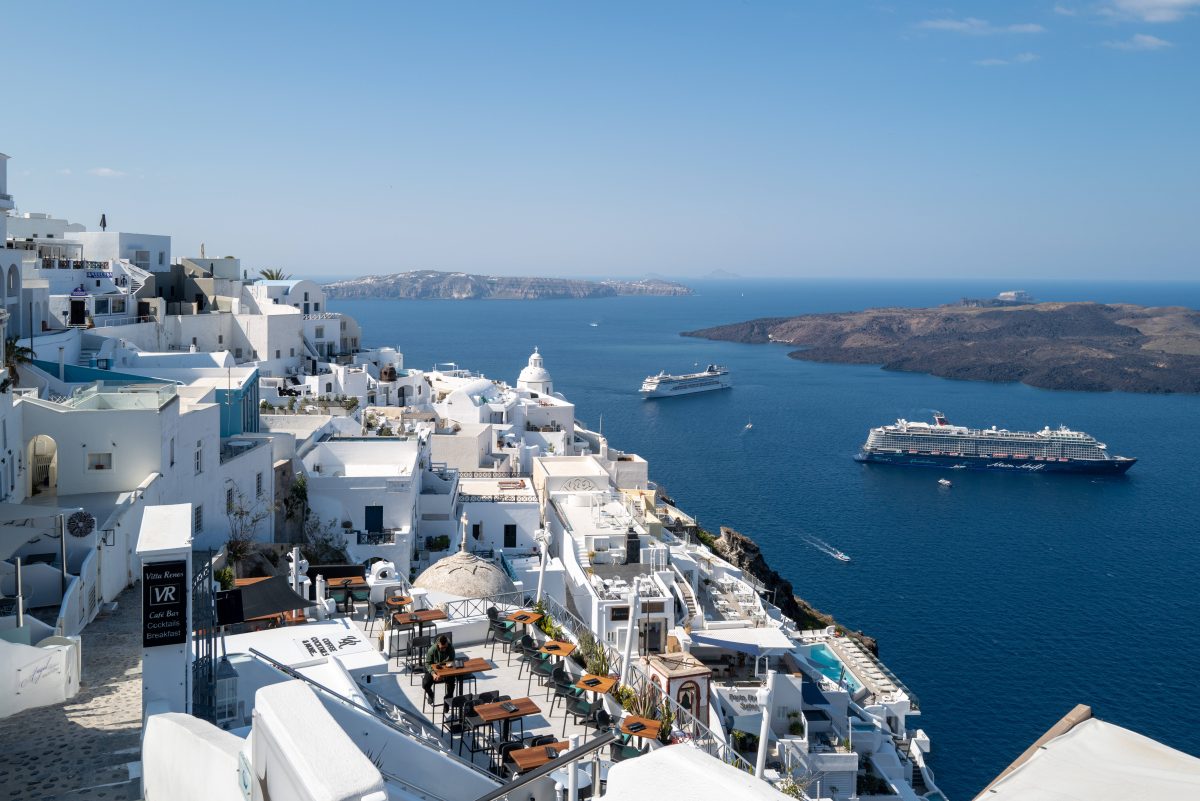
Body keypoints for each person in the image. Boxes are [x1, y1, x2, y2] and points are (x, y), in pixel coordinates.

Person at [422, 634, 456, 705]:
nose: (443, 649)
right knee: (425, 684)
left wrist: (443, 675)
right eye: (442, 648)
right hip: (434, 670)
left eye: (445, 647)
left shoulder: (450, 648)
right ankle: (431, 694)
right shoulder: (432, 650)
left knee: (452, 683)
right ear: (438, 644)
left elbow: (452, 661)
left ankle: (447, 700)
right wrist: (434, 674)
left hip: (446, 670)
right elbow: (427, 664)